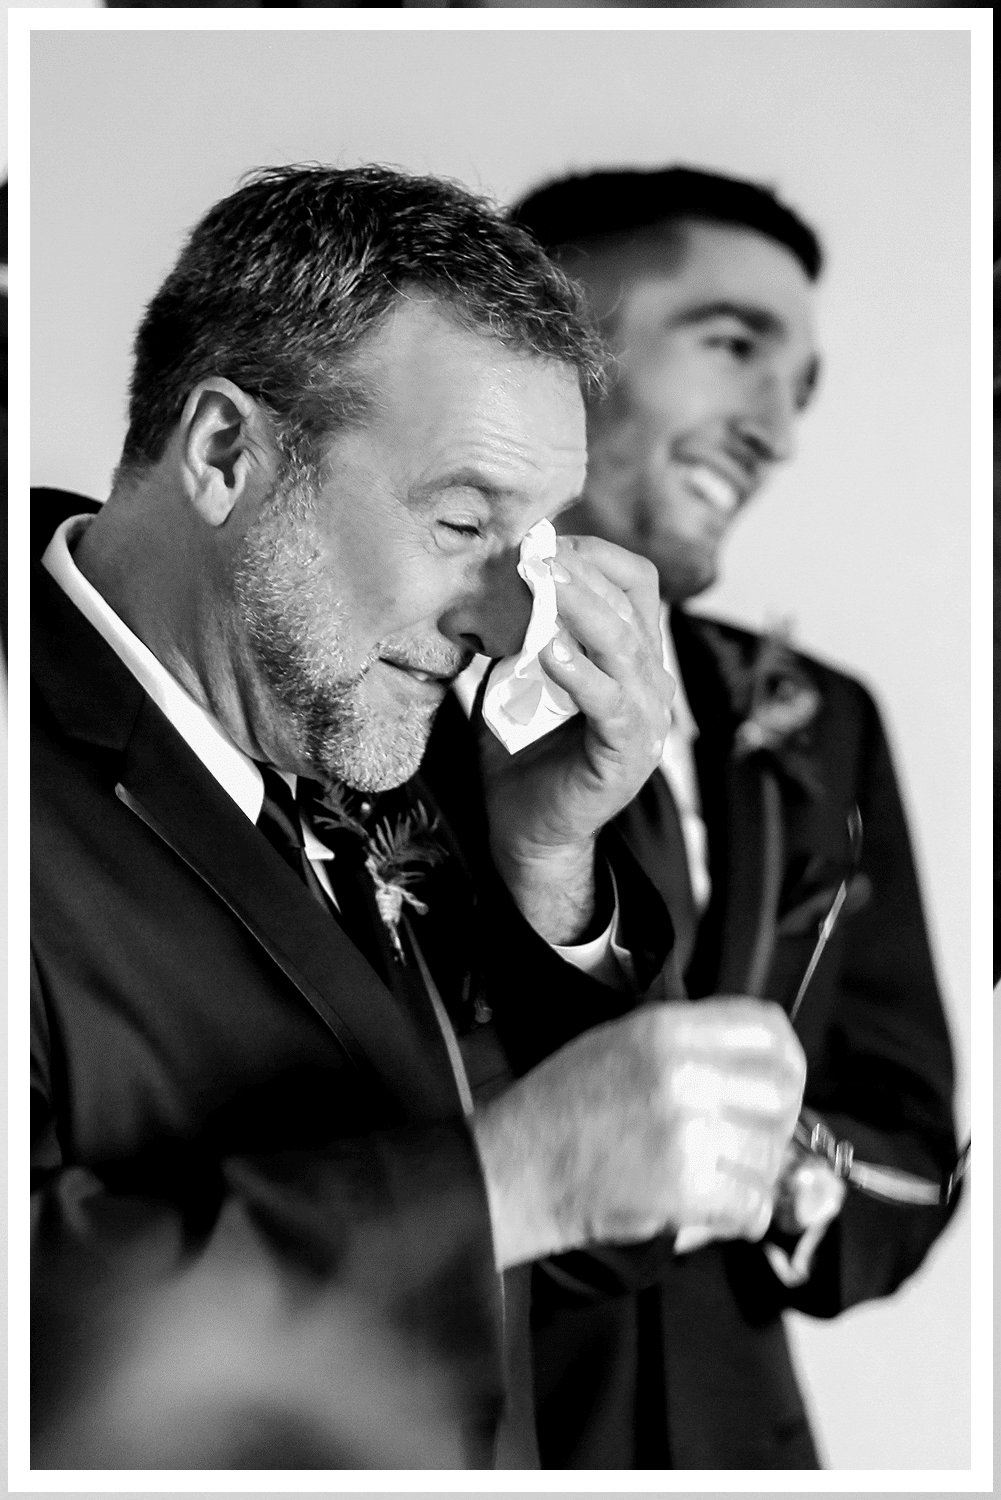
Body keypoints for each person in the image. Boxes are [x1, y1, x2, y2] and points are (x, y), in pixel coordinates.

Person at [29, 164, 810, 1470]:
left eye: (534, 547)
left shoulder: (400, 723)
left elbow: (572, 1264)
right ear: (226, 454)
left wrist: (553, 860)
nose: (507, 623)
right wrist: (505, 1183)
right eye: (463, 522)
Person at [508, 166, 963, 1468]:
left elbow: (917, 1156)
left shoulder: (823, 723)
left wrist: (775, 1160)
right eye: (732, 347)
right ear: (551, 333)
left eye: (801, 388)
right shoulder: (360, 666)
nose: (776, 430)